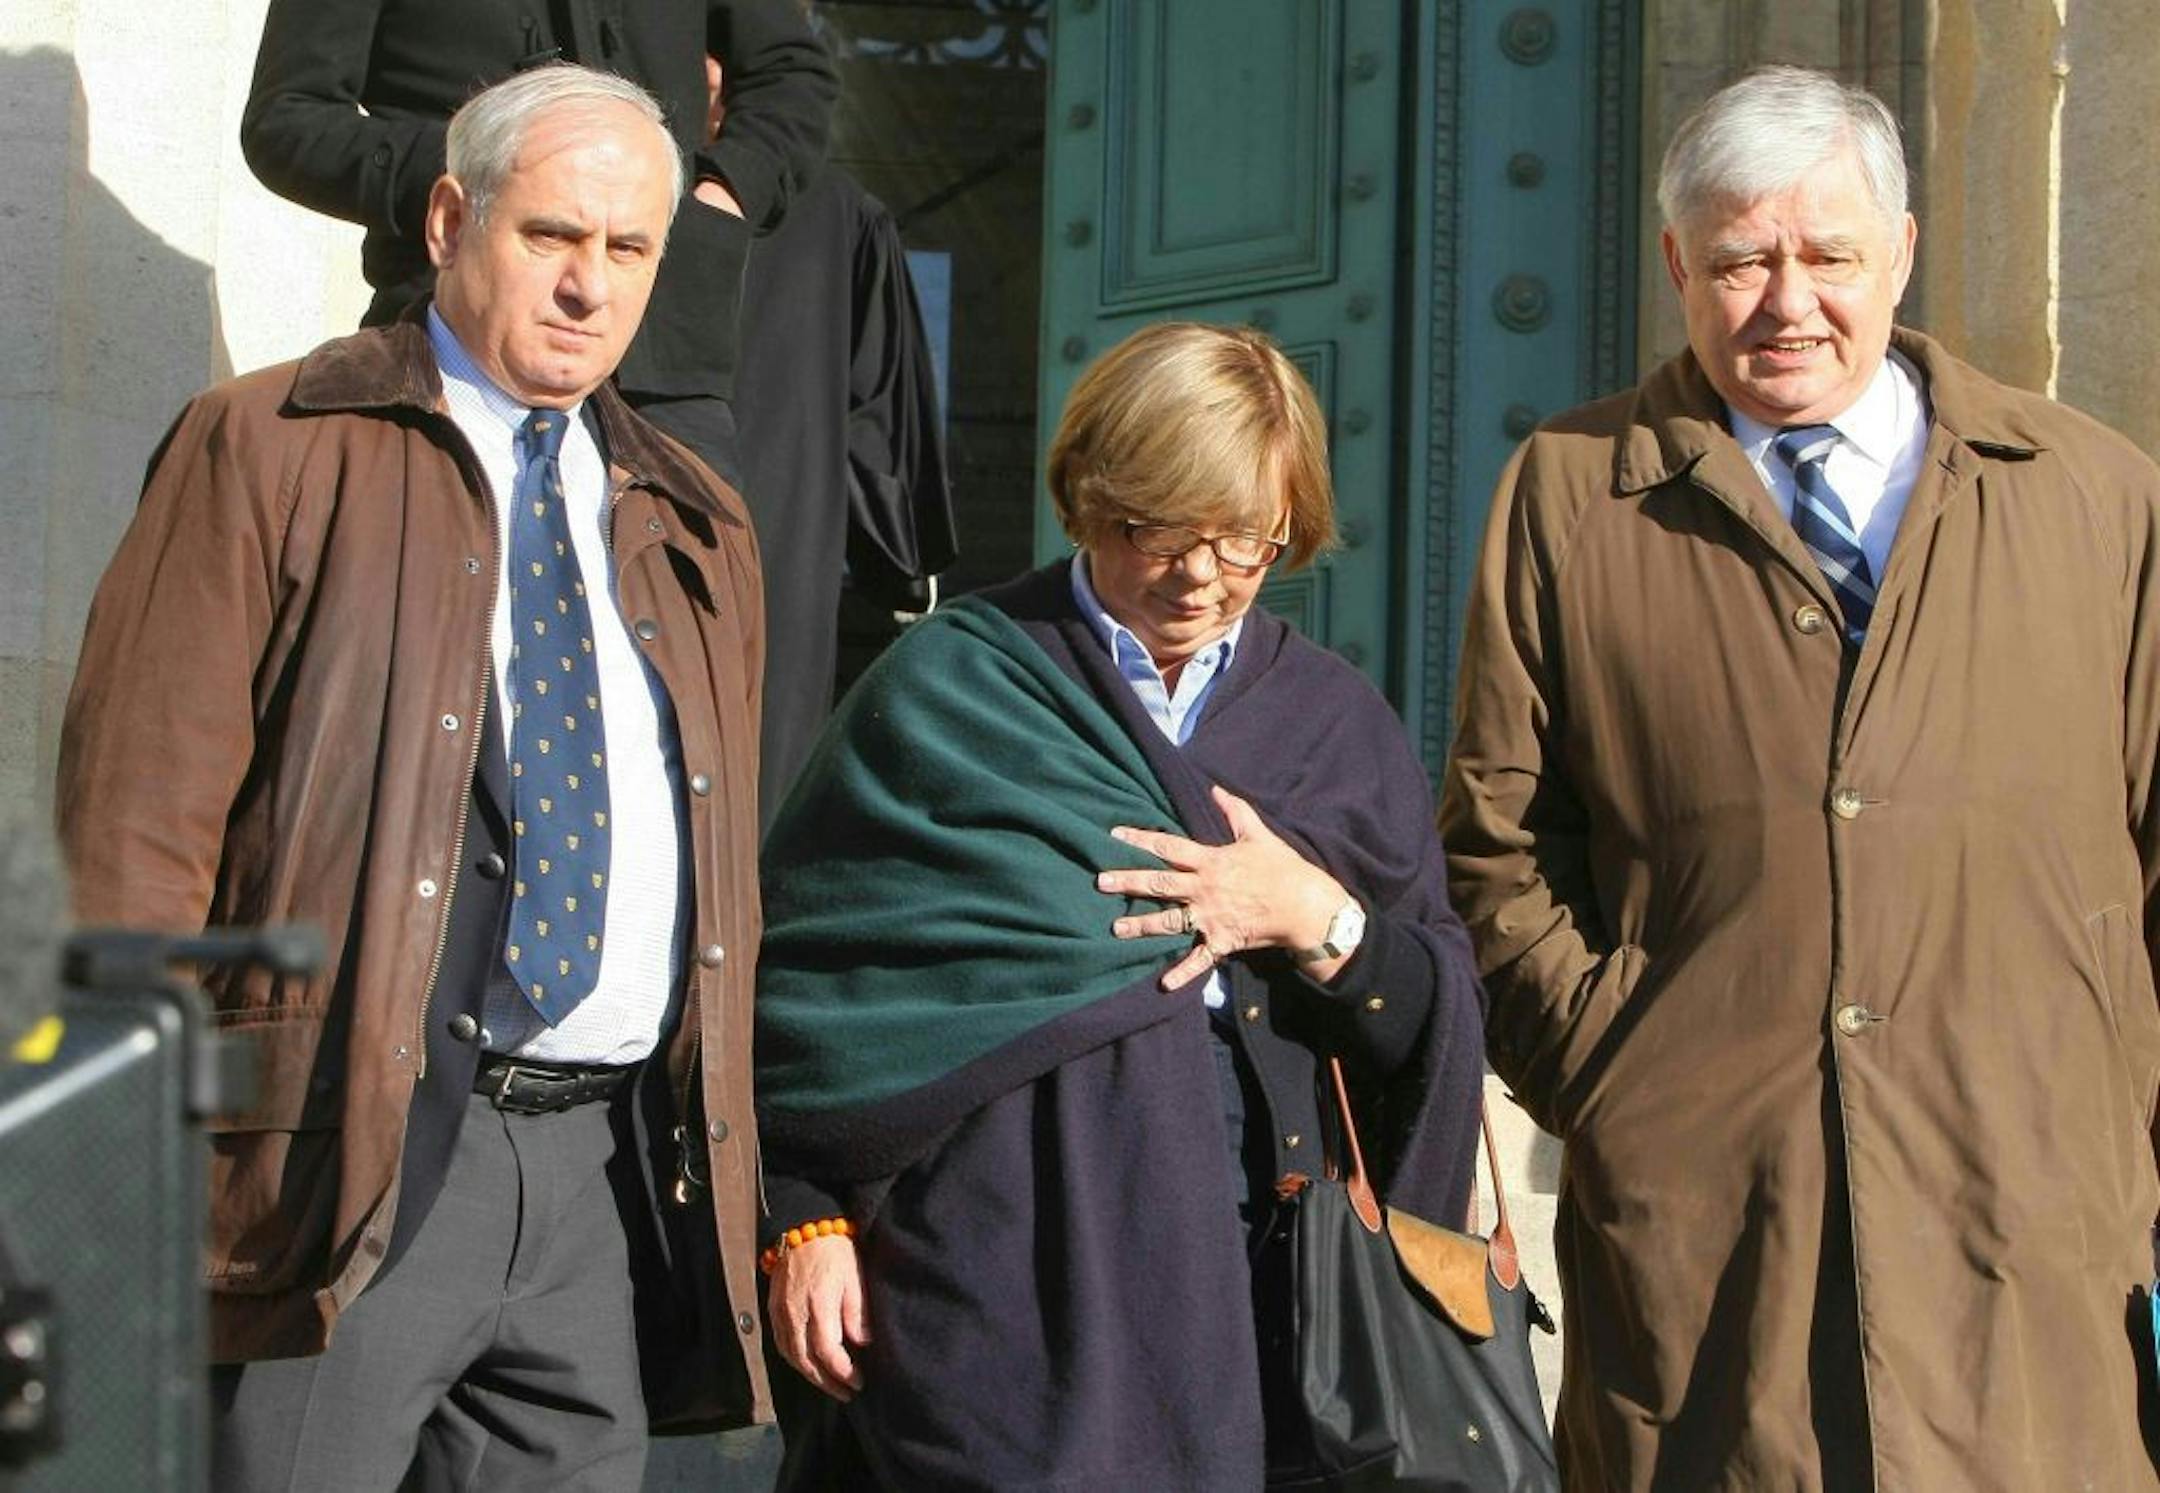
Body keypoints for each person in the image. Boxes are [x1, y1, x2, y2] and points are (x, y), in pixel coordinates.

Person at [1441, 64, 2160, 1489]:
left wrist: (2112, 1127)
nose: (1787, 302)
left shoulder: (2091, 492)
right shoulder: (1574, 492)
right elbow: (1494, 845)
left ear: (1902, 252)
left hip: (2027, 1226)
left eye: (1828, 255)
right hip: (1712, 1239)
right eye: (1739, 260)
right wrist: (1621, 1067)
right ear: (1673, 266)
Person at [56, 66, 769, 1489]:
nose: (589, 286)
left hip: (598, 1179)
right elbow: (134, 835)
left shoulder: (699, 516)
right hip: (334, 1167)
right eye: (551, 237)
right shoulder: (270, 448)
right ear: (452, 217)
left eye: (627, 251)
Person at [752, 322, 1488, 1488]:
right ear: (1087, 495)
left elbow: (1428, 1017)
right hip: (984, 1297)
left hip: (1255, 1319)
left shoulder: (1334, 726)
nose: (1200, 575)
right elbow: (797, 992)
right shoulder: (959, 681)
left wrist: (1319, 919)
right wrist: (802, 1216)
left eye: (1246, 538)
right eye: (1157, 530)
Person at [239, 0, 837, 491]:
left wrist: (723, 191)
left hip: (665, 355)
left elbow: (791, 73)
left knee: (689, 614)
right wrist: (480, 175)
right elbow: (285, 121)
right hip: (448, 343)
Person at [709, 55, 958, 822]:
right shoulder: (832, 213)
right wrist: (900, 568)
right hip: (767, 558)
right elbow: (881, 441)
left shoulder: (588, 185)